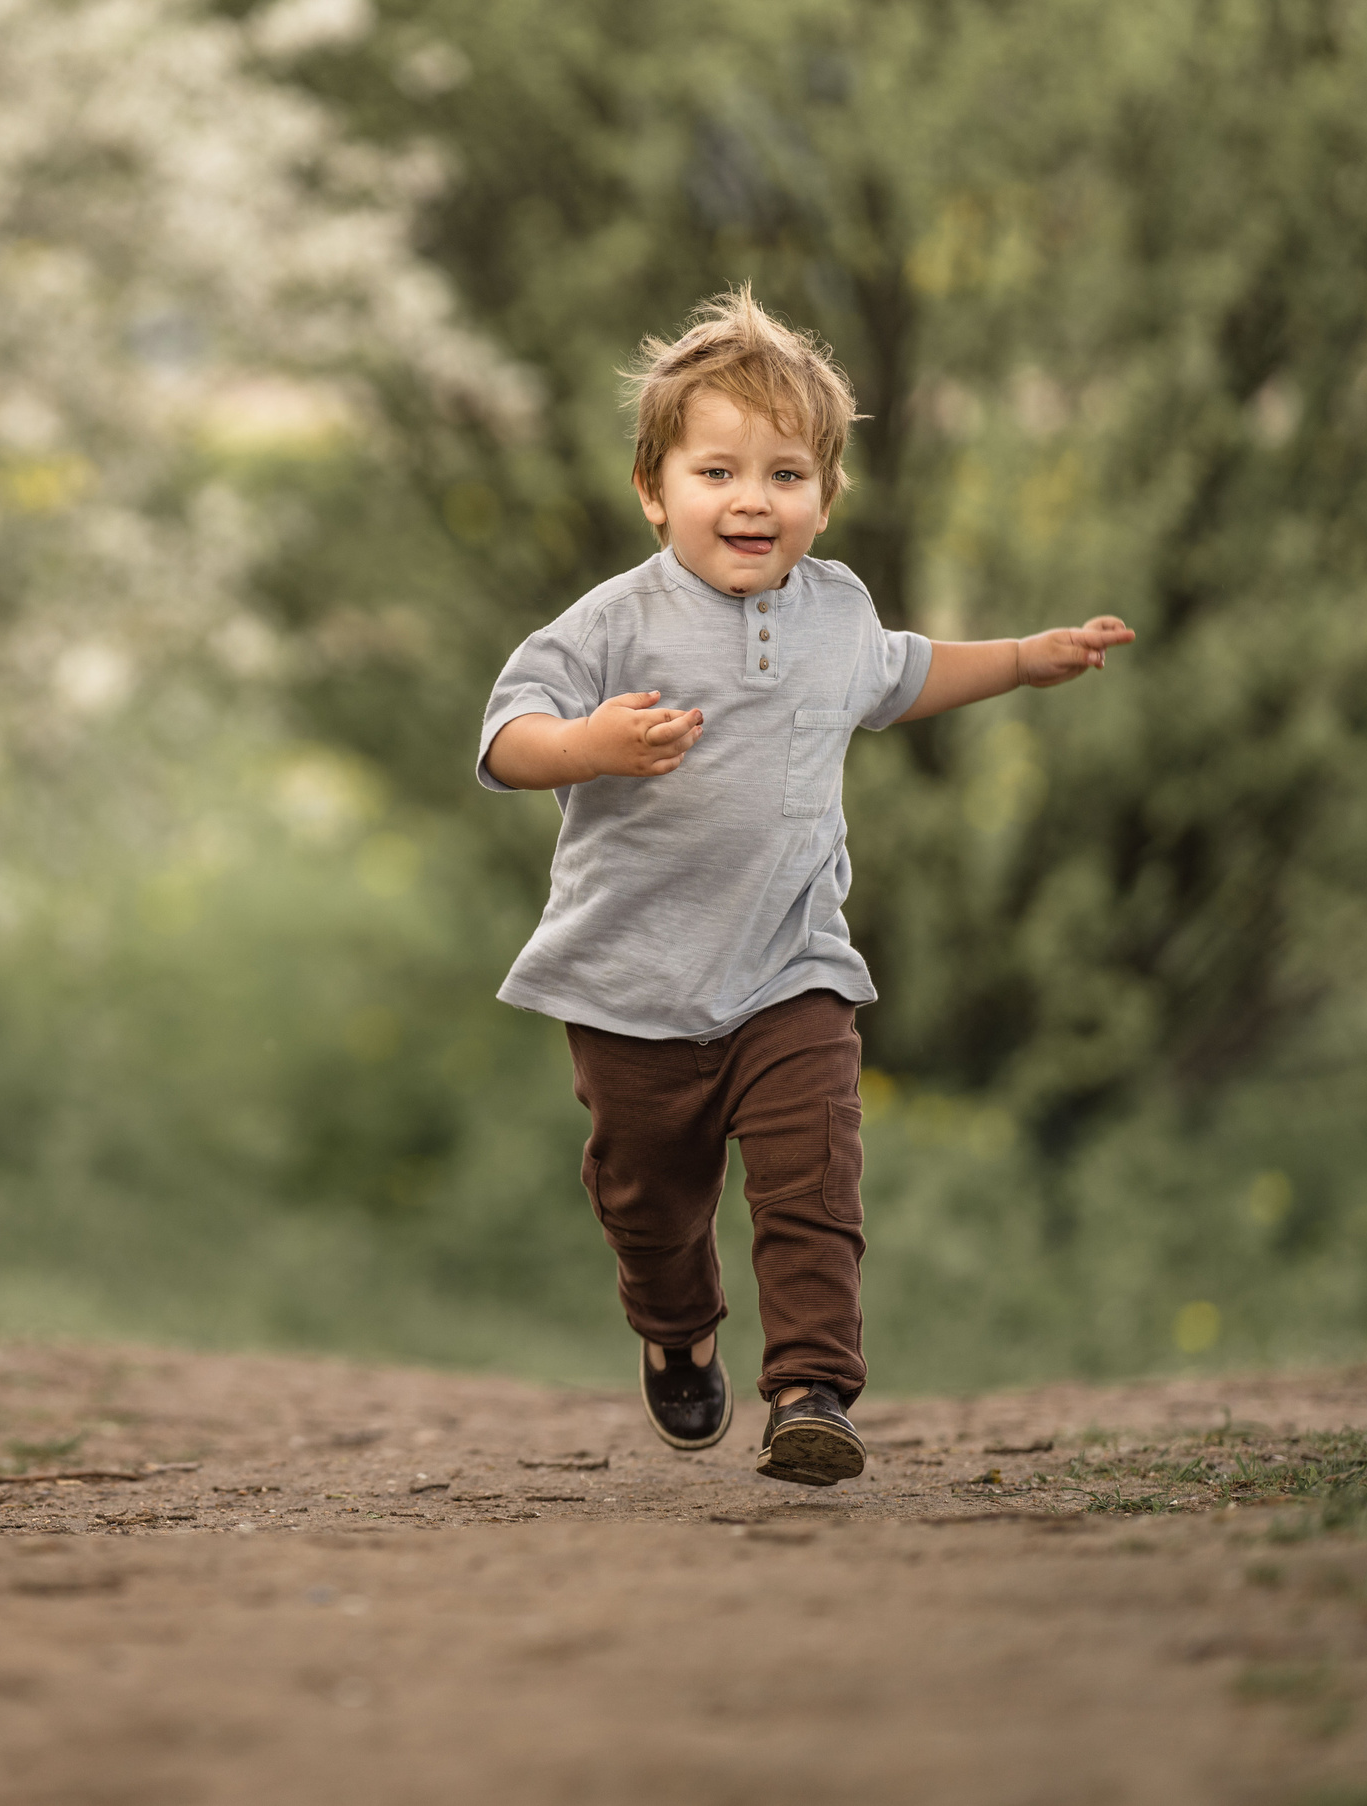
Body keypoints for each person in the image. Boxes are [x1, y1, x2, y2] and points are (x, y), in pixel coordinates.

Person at [477, 288, 1132, 1485]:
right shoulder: (614, 623)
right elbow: (507, 734)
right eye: (717, 470)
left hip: (791, 966)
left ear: (826, 499)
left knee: (812, 1180)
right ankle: (676, 1332)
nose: (751, 500)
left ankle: (812, 1390)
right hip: (629, 985)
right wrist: (590, 748)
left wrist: (1026, 662)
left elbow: (899, 675)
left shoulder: (835, 612)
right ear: (652, 489)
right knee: (649, 1207)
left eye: (785, 475)